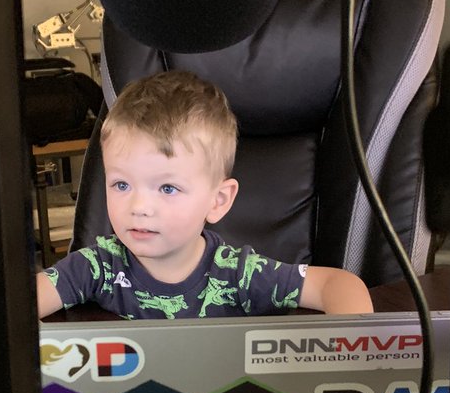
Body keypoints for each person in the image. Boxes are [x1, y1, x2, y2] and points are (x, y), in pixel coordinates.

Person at [35, 70, 374, 319]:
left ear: (218, 201)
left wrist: (350, 352)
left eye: (168, 188)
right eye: (121, 185)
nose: (138, 207)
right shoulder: (98, 267)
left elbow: (337, 283)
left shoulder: (237, 273)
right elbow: (19, 308)